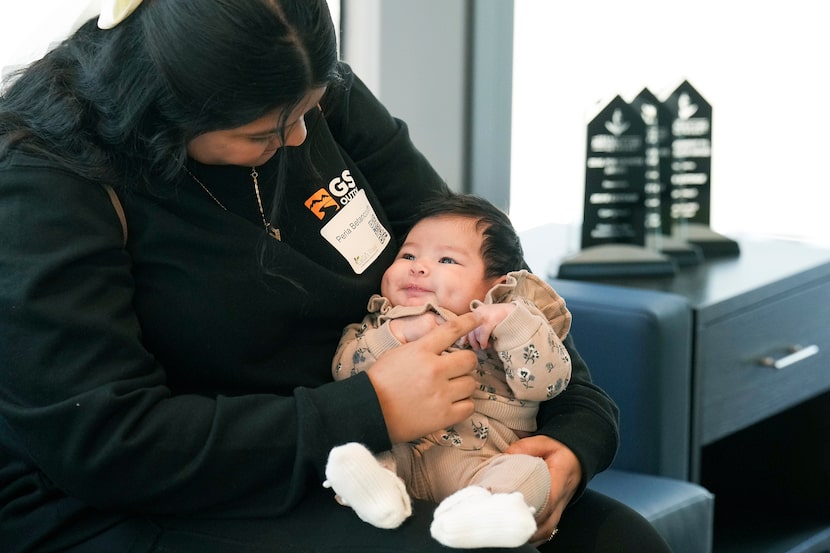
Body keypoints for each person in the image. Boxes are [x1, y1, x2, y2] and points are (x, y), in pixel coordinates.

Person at [0, 0, 672, 552]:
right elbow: (108, 441)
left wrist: (578, 436)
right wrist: (367, 407)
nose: (296, 142)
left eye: (306, 112)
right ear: (164, 108)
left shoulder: (307, 99)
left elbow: (484, 265)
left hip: (375, 450)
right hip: (143, 496)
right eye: (266, 132)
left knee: (620, 540)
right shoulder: (49, 182)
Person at [325, 193, 573, 549]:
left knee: (531, 473)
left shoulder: (515, 320)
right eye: (408, 255)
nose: (418, 267)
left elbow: (549, 383)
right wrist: (397, 334)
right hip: (402, 453)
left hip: (480, 463)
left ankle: (482, 514)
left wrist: (510, 324)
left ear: (494, 284)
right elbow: (344, 373)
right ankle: (376, 495)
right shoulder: (381, 321)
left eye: (446, 259)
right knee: (361, 447)